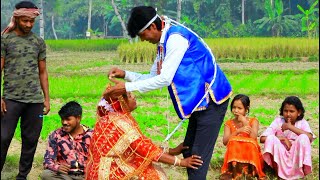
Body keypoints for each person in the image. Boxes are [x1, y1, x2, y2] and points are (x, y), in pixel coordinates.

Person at [105, 6, 232, 179]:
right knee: (188, 152)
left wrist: (126, 87)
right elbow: (152, 77)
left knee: (197, 160)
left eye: (142, 35)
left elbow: (164, 79)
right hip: (198, 103)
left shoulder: (175, 39)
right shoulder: (163, 44)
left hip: (211, 100)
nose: (143, 40)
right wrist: (125, 75)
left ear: (153, 27)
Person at [86, 84, 203, 179]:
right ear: (121, 102)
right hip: (110, 173)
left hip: (95, 171)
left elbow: (140, 145)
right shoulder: (121, 123)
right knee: (152, 174)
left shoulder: (110, 118)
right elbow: (145, 149)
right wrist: (181, 162)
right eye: (130, 95)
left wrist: (171, 151)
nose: (134, 97)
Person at [1, 1, 50, 179]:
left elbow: (43, 72)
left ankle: (22, 176)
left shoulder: (38, 42)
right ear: (17, 18)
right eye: (24, 21)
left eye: (31, 21)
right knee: (3, 138)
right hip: (11, 99)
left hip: (34, 101)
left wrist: (46, 99)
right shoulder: (5, 40)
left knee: (30, 141)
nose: (28, 25)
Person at [260, 96, 316, 179]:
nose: (288, 114)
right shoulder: (278, 121)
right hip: (280, 154)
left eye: (292, 111)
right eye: (285, 111)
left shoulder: (302, 123)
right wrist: (282, 138)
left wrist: (290, 127)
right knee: (271, 138)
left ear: (299, 112)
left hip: (296, 155)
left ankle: (299, 171)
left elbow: (309, 137)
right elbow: (262, 138)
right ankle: (277, 171)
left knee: (303, 137)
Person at [41, 101, 93, 180]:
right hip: (66, 176)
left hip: (86, 175)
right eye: (62, 119)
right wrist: (57, 167)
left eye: (68, 119)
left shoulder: (91, 135)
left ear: (78, 118)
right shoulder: (56, 135)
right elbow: (48, 159)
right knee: (46, 174)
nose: (64, 122)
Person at [220, 94, 265, 180]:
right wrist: (238, 131)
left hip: (250, 155)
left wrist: (245, 122)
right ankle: (234, 172)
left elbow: (253, 138)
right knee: (233, 141)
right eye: (234, 107)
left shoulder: (253, 121)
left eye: (239, 108)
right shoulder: (228, 123)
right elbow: (225, 142)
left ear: (246, 109)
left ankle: (251, 172)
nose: (236, 111)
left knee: (250, 143)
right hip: (235, 157)